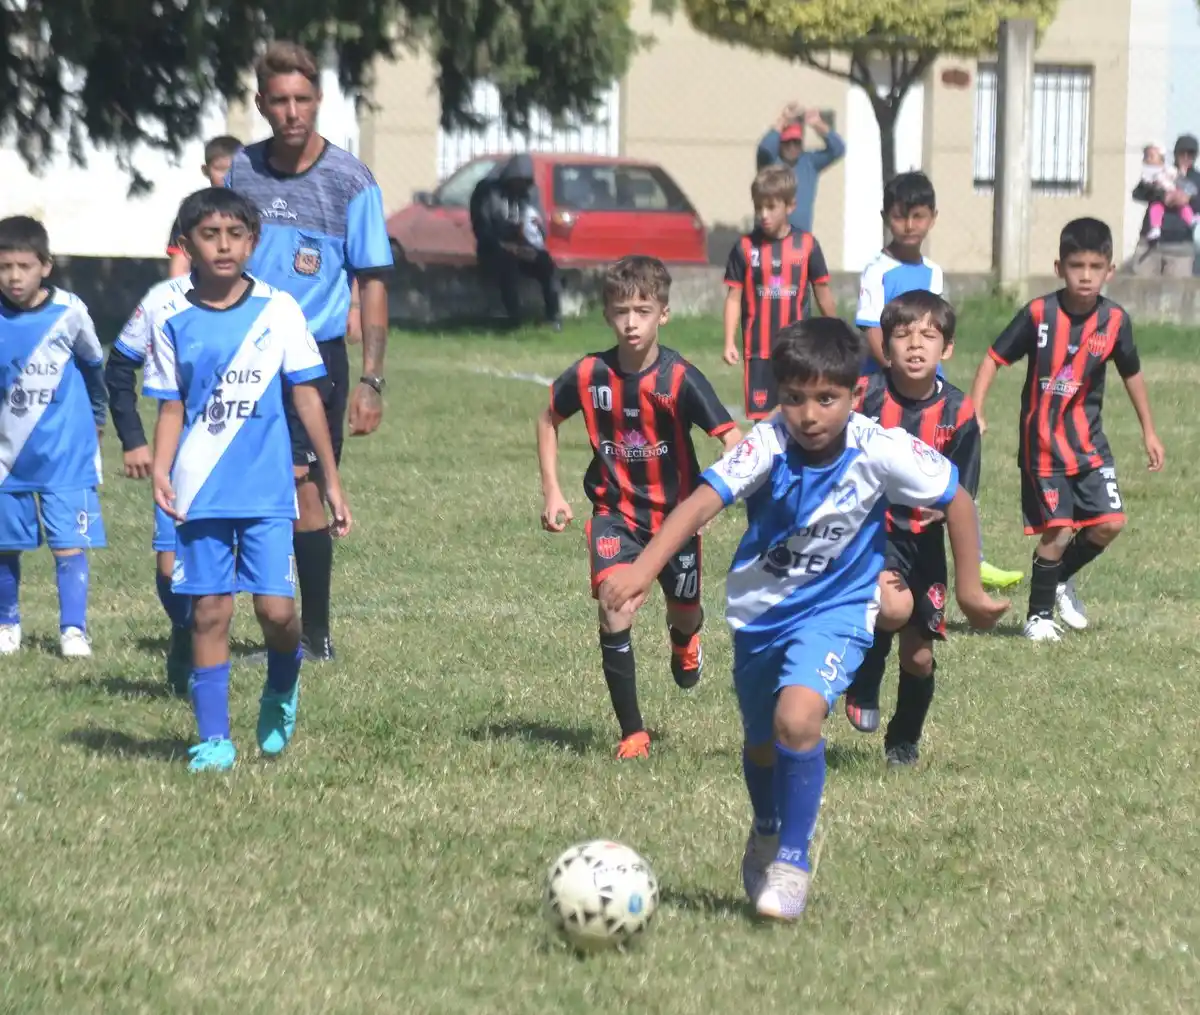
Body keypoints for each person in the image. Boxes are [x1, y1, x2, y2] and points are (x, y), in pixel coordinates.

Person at [599, 317, 1008, 920]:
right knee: (762, 743)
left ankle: (792, 861)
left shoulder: (881, 446)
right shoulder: (766, 444)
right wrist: (641, 571)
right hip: (760, 616)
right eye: (794, 398)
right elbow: (699, 505)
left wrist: (969, 589)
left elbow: (957, 498)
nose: (809, 415)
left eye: (826, 399)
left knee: (798, 718)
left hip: (838, 610)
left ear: (855, 393)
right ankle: (766, 829)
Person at [144, 187, 353, 773]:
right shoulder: (171, 317)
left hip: (266, 491)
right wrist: (160, 469)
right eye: (210, 235)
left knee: (277, 613)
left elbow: (307, 397)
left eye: (235, 235)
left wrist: (330, 480)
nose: (224, 246)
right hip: (198, 490)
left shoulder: (278, 309)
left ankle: (282, 685)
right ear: (186, 245)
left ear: (253, 242)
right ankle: (214, 739)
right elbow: (171, 407)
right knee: (210, 612)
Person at [224, 40, 392, 662]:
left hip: (314, 357)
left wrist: (372, 379)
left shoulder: (352, 181)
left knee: (306, 490)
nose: (292, 112)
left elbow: (373, 280)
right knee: (246, 491)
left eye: (302, 99)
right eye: (279, 101)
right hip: (244, 353)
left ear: (319, 100)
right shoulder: (242, 171)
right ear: (260, 104)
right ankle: (263, 621)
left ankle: (313, 636)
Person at [536, 256, 740, 759]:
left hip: (674, 522)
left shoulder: (679, 378)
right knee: (615, 605)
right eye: (622, 311)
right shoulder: (590, 374)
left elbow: (733, 439)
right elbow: (547, 418)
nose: (632, 322)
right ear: (607, 313)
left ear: (663, 314)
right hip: (615, 515)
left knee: (685, 612)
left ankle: (685, 640)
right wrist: (553, 491)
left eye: (643, 311)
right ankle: (633, 733)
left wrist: (710, 502)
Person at [970, 218, 1165, 643]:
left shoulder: (1115, 321)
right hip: (1042, 447)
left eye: (1096, 267)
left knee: (1110, 522)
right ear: (1060, 268)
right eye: (1077, 266)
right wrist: (977, 409)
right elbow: (992, 359)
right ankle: (1037, 617)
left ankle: (1059, 578)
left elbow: (1132, 374)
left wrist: (1149, 431)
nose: (1086, 275)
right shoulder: (1038, 314)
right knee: (1058, 529)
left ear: (1110, 270)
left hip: (1089, 445)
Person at [857, 172, 1022, 591]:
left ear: (933, 218)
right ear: (885, 217)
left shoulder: (933, 273)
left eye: (918, 216)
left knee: (950, 477)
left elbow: (935, 331)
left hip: (926, 392)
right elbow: (872, 330)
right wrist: (897, 370)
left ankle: (972, 559)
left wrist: (945, 398)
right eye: (900, 216)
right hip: (890, 392)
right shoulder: (876, 271)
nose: (909, 225)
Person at [842, 291, 981, 763]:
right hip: (875, 531)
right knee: (892, 605)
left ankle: (904, 740)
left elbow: (963, 493)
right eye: (902, 335)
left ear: (948, 348)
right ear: (884, 347)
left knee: (919, 656)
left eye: (928, 335)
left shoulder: (959, 412)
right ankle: (864, 679)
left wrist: (945, 510)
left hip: (926, 541)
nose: (915, 345)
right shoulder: (865, 396)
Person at [0, 215, 108, 658]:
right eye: (4, 267)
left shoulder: (69, 312)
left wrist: (98, 418)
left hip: (66, 454)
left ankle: (73, 630)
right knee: (4, 546)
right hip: (7, 457)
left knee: (68, 545)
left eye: (24, 266)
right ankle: (7, 624)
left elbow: (94, 365)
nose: (14, 277)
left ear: (45, 266)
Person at [106, 273, 196, 691]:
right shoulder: (163, 299)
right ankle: (184, 631)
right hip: (174, 456)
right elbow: (119, 366)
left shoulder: (263, 299)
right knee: (169, 569)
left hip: (236, 454)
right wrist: (133, 439)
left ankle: (204, 648)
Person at [723, 164, 836, 421]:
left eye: (771, 207)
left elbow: (822, 291)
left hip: (798, 349)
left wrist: (834, 332)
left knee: (798, 415)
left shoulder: (806, 245)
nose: (764, 215)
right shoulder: (745, 247)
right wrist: (729, 341)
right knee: (763, 422)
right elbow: (733, 297)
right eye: (758, 207)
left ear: (790, 205)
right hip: (758, 351)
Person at [469, 153, 562, 330]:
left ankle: (553, 316)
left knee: (546, 263)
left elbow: (539, 229)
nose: (520, 186)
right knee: (507, 263)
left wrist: (533, 243)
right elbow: (482, 229)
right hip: (494, 247)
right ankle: (513, 317)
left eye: (524, 182)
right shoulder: (488, 191)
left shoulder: (530, 193)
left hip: (522, 246)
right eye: (517, 181)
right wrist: (504, 244)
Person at [755, 103, 845, 234]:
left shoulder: (809, 162)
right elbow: (765, 148)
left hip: (800, 238)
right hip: (770, 237)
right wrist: (783, 120)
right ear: (780, 143)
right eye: (787, 142)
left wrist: (817, 124)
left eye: (796, 142)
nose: (792, 147)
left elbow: (838, 149)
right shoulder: (771, 162)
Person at [167, 135, 243, 278]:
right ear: (205, 170)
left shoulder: (259, 210)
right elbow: (180, 264)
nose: (227, 176)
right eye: (220, 169)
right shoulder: (192, 211)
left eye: (234, 169)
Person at [1131, 134, 1200, 277]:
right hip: (1150, 245)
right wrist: (1162, 196)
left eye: (1190, 153)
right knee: (1141, 287)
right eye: (1182, 152)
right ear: (1175, 153)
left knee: (1177, 290)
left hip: (1180, 247)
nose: (1186, 156)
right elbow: (1138, 193)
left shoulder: (1197, 179)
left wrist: (1188, 199)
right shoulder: (1161, 171)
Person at [1138, 144, 1196, 244]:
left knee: (1183, 206)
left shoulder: (1168, 168)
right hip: (1160, 195)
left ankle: (1190, 219)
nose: (1185, 157)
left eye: (1152, 156)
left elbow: (1177, 178)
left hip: (1173, 192)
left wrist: (1184, 195)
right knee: (1155, 208)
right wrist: (1161, 195)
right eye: (1147, 156)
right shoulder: (1147, 172)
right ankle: (1156, 228)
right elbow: (1142, 189)